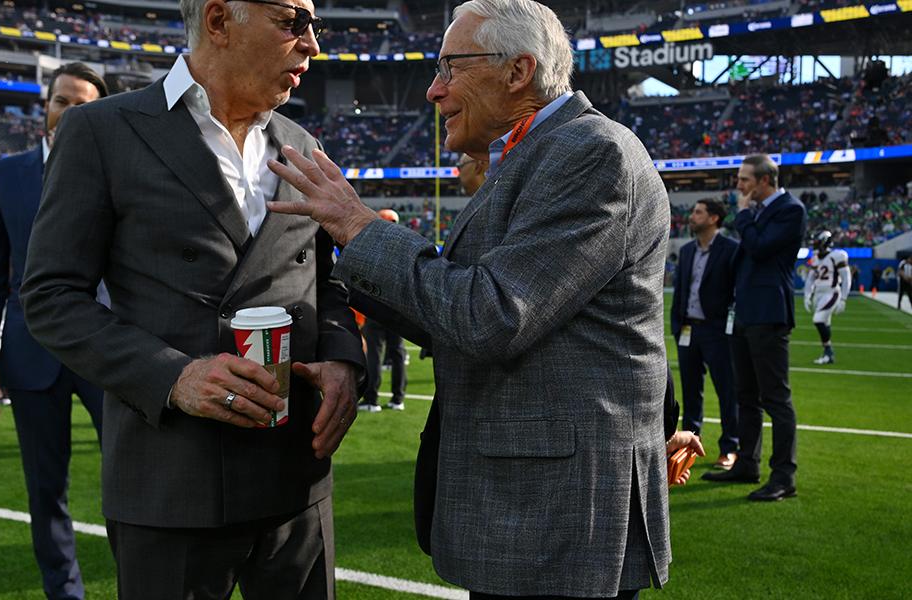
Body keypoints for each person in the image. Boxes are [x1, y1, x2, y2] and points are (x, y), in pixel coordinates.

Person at [268, 0, 672, 596]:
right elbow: (447, 315)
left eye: (450, 67)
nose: (434, 90)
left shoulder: (590, 151)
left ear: (518, 72)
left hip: (558, 517)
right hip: (536, 508)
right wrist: (325, 262)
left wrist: (359, 228)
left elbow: (490, 316)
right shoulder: (533, 155)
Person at [18, 0, 365, 597]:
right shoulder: (102, 129)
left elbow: (328, 279)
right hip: (171, 477)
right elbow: (51, 296)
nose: (312, 45)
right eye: (293, 23)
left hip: (295, 476)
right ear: (219, 19)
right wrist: (174, 377)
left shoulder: (301, 142)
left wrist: (341, 357)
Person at [0, 62, 108, 600]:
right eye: (61, 101)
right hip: (31, 354)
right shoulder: (3, 175)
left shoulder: (118, 168)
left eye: (83, 104)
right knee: (45, 490)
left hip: (109, 349)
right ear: (45, 108)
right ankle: (64, 593)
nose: (70, 112)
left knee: (132, 479)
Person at [702, 154, 805, 503]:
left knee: (776, 398)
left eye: (744, 180)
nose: (738, 186)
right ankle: (747, 463)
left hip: (769, 312)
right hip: (744, 313)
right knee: (745, 395)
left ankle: (784, 476)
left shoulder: (791, 210)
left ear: (764, 181)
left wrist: (744, 214)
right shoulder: (759, 214)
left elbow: (760, 249)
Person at [669, 198, 739, 470]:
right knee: (689, 392)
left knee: (727, 391)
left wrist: (728, 328)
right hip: (688, 329)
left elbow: (736, 293)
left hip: (717, 331)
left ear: (714, 218)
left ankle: (729, 447)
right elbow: (681, 291)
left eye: (698, 212)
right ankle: (688, 446)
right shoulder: (686, 251)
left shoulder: (731, 249)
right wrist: (677, 325)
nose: (692, 216)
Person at [358, 208, 408, 412]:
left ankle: (371, 399)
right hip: (398, 308)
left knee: (374, 354)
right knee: (397, 354)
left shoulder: (371, 246)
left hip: (377, 307)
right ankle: (398, 398)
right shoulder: (406, 245)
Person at [803, 230, 850, 365]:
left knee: (818, 320)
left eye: (817, 243)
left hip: (832, 292)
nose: (815, 246)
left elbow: (846, 278)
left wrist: (844, 299)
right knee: (825, 323)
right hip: (819, 293)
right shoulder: (816, 258)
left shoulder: (837, 256)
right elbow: (810, 279)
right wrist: (807, 295)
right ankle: (828, 355)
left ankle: (829, 351)